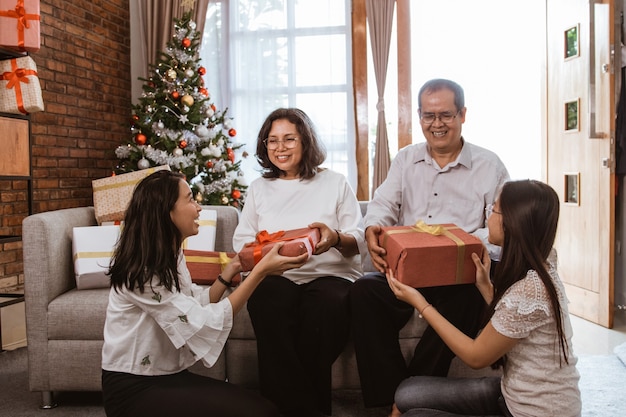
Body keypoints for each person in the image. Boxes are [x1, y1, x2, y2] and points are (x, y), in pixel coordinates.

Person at [350, 78, 510, 410]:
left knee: (468, 296)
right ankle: (388, 399)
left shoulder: (489, 165)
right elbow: (381, 205)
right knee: (363, 291)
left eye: (446, 115)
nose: (437, 124)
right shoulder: (406, 159)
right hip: (407, 270)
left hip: (460, 276)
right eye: (428, 116)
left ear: (462, 114)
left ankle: (414, 395)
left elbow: (501, 230)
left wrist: (456, 247)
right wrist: (373, 229)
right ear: (419, 117)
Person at [101, 170, 308, 417]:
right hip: (133, 388)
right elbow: (202, 322)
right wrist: (260, 272)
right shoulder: (142, 273)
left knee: (264, 409)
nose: (199, 208)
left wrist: (230, 270)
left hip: (168, 376)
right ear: (166, 212)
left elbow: (190, 306)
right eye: (190, 199)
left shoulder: (171, 254)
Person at [388, 179, 582, 417]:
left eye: (493, 210)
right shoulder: (543, 261)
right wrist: (485, 287)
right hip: (511, 395)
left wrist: (420, 303)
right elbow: (511, 322)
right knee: (408, 392)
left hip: (534, 411)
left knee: (414, 414)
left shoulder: (531, 289)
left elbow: (476, 356)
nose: (488, 217)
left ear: (512, 222)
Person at [232, 107, 366, 417]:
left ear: (305, 141)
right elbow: (241, 243)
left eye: (289, 139)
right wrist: (270, 253)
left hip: (330, 274)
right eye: (272, 140)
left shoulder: (334, 182)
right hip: (277, 275)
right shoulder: (259, 188)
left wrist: (333, 238)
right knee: (266, 301)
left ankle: (283, 408)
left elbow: (357, 237)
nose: (280, 148)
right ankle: (312, 410)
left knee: (327, 308)